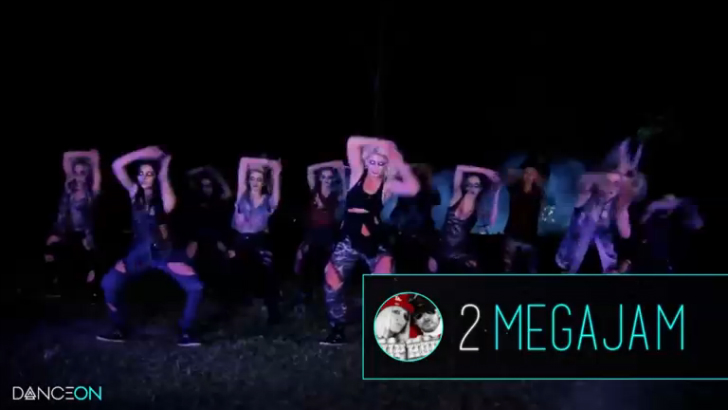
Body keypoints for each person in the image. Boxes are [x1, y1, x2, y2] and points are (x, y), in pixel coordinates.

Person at [97, 146, 204, 347]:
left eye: (149, 174)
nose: (144, 178)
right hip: (139, 253)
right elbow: (117, 165)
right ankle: (119, 328)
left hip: (165, 252)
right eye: (141, 173)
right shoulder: (134, 193)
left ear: (156, 177)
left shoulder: (164, 197)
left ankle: (186, 330)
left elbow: (169, 203)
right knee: (109, 283)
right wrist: (144, 153)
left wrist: (164, 167)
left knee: (195, 287)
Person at [321, 136, 420, 346]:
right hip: (349, 238)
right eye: (372, 162)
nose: (375, 167)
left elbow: (413, 188)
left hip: (374, 240)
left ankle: (387, 329)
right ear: (366, 162)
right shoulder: (358, 174)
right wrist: (382, 143)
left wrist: (396, 158)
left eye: (381, 163)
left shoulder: (388, 185)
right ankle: (337, 329)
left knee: (384, 282)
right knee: (332, 279)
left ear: (387, 165)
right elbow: (351, 142)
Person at [556, 139, 645, 273]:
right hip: (571, 254)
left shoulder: (622, 202)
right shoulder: (591, 184)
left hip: (603, 262)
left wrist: (622, 207)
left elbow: (626, 234)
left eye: (627, 175)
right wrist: (600, 181)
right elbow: (576, 201)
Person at [226, 156, 282, 325]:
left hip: (259, 240)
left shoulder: (269, 200)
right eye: (252, 178)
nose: (255, 182)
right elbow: (243, 161)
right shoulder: (241, 196)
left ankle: (273, 313)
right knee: (234, 269)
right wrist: (266, 163)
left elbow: (276, 174)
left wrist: (274, 168)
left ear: (264, 182)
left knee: (268, 271)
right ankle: (237, 308)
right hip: (240, 240)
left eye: (259, 179)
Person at [44, 150, 101, 299]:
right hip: (64, 230)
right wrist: (85, 154)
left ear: (88, 174)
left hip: (84, 232)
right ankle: (54, 283)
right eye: (76, 172)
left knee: (89, 252)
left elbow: (95, 157)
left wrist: (90, 156)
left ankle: (92, 288)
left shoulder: (93, 191)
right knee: (50, 245)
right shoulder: (69, 186)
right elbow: (66, 156)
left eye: (83, 172)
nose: (79, 175)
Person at [293, 160, 345, 310]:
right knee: (305, 265)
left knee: (329, 269)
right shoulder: (314, 191)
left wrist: (334, 168)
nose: (327, 180)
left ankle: (331, 300)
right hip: (313, 234)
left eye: (329, 177)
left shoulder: (337, 194)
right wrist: (325, 166)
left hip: (328, 235)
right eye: (324, 177)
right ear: (319, 178)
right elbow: (310, 169)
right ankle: (305, 298)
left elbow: (341, 166)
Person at [436, 165, 501, 273]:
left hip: (462, 254)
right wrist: (485, 171)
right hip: (443, 251)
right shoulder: (457, 196)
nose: (472, 188)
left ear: (480, 189)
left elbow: (492, 222)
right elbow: (459, 168)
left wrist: (496, 193)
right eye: (469, 185)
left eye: (476, 185)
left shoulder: (478, 208)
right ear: (465, 186)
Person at [184, 166, 233, 292]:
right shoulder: (196, 199)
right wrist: (202, 169)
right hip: (199, 238)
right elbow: (188, 175)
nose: (206, 188)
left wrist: (211, 171)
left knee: (223, 256)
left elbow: (227, 191)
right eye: (203, 185)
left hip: (216, 238)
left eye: (209, 185)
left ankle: (222, 288)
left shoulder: (218, 200)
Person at [631, 194, 703, 273]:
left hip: (664, 264)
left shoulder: (676, 221)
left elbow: (696, 224)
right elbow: (641, 223)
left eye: (670, 203)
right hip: (646, 261)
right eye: (666, 201)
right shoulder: (651, 217)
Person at [388, 164, 440, 273]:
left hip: (419, 242)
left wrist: (433, 254)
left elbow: (428, 223)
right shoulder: (401, 194)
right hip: (404, 241)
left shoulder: (427, 193)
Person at [502, 161, 546, 273]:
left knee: (532, 267)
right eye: (526, 172)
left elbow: (542, 213)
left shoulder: (539, 193)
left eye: (532, 173)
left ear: (536, 176)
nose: (528, 176)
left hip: (530, 236)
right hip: (513, 233)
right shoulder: (513, 189)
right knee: (508, 264)